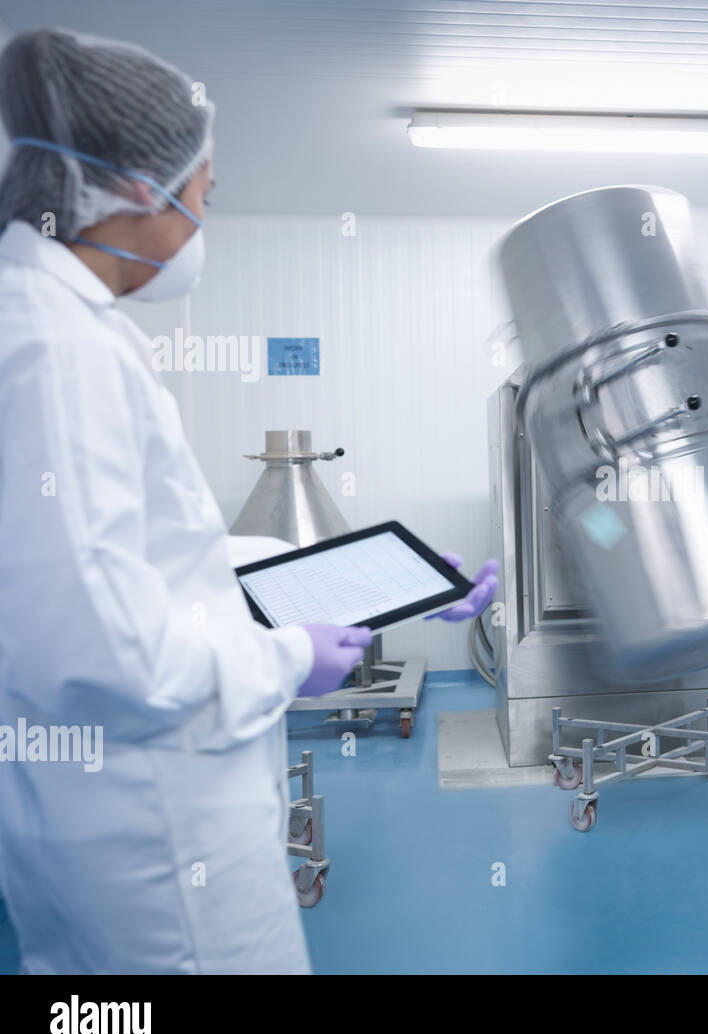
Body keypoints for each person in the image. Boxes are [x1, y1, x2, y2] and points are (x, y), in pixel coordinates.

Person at [0, 28, 496, 974]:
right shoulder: (59, 349)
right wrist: (283, 657)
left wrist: (403, 585)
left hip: (105, 824)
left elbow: (169, 564)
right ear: (135, 186)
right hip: (158, 843)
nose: (198, 223)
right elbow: (97, 646)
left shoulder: (52, 323)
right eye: (201, 196)